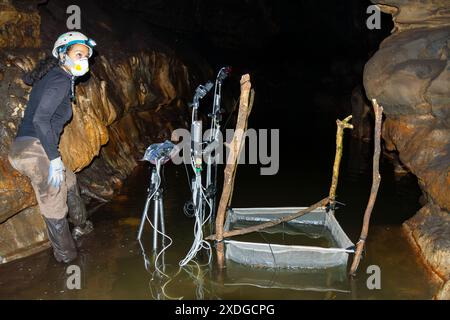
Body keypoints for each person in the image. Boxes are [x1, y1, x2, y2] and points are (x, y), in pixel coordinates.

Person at [7, 31, 97, 263]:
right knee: (53, 195)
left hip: (32, 145)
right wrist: (54, 158)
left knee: (69, 179)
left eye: (86, 56)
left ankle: (82, 226)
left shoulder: (61, 79)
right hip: (31, 149)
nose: (83, 60)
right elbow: (40, 120)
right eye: (78, 54)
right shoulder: (59, 79)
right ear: (62, 55)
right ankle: (67, 257)